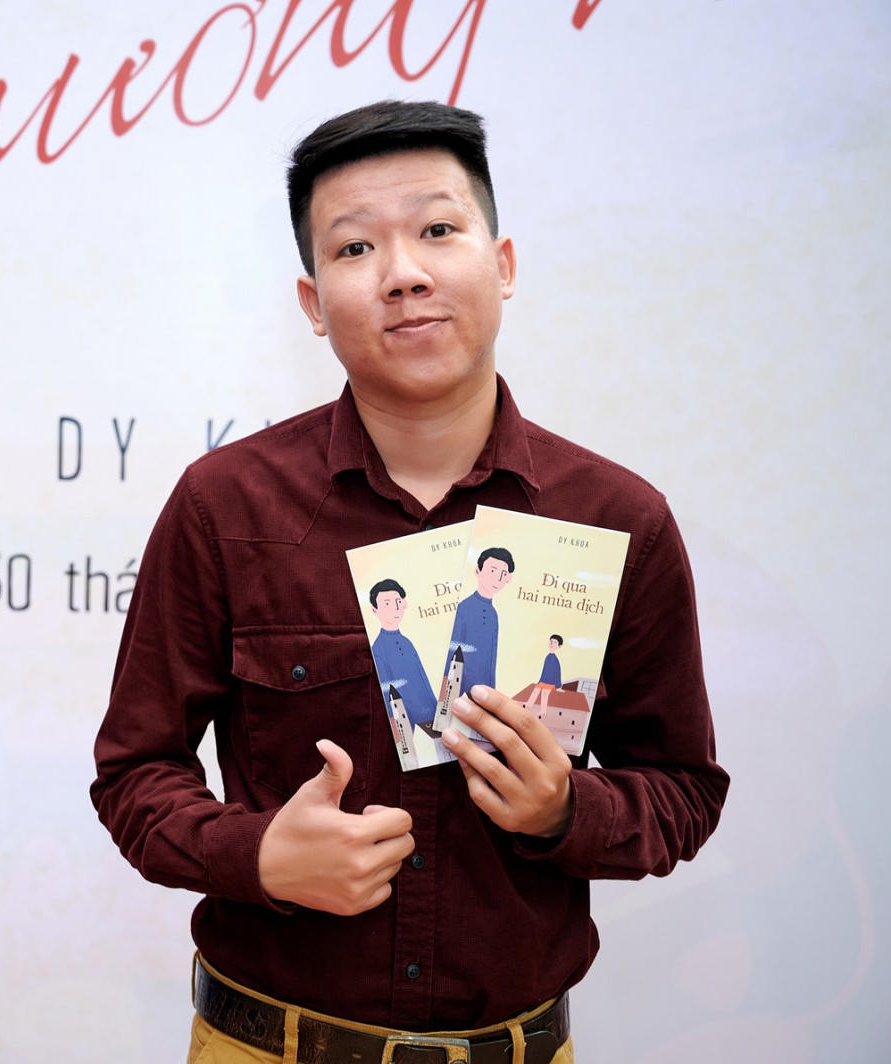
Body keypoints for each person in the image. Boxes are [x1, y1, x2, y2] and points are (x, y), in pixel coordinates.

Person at [89, 100, 728, 1063]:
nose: (404, 274)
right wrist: (259, 856)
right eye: (355, 248)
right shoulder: (225, 505)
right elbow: (134, 775)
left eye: (437, 230)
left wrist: (566, 812)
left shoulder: (616, 518)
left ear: (502, 265)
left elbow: (683, 790)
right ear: (313, 304)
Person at [367, 578, 436, 727]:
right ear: (374, 610)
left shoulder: (407, 642)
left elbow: (424, 681)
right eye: (387, 604)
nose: (395, 608)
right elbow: (389, 698)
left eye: (397, 602)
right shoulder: (378, 650)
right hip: (411, 724)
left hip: (433, 718)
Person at [446, 546, 515, 692]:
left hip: (484, 692)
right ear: (478, 571)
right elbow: (452, 652)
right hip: (460, 688)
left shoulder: (493, 614)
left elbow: (491, 659)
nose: (497, 578)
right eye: (492, 571)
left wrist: (491, 690)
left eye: (503, 574)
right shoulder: (463, 608)